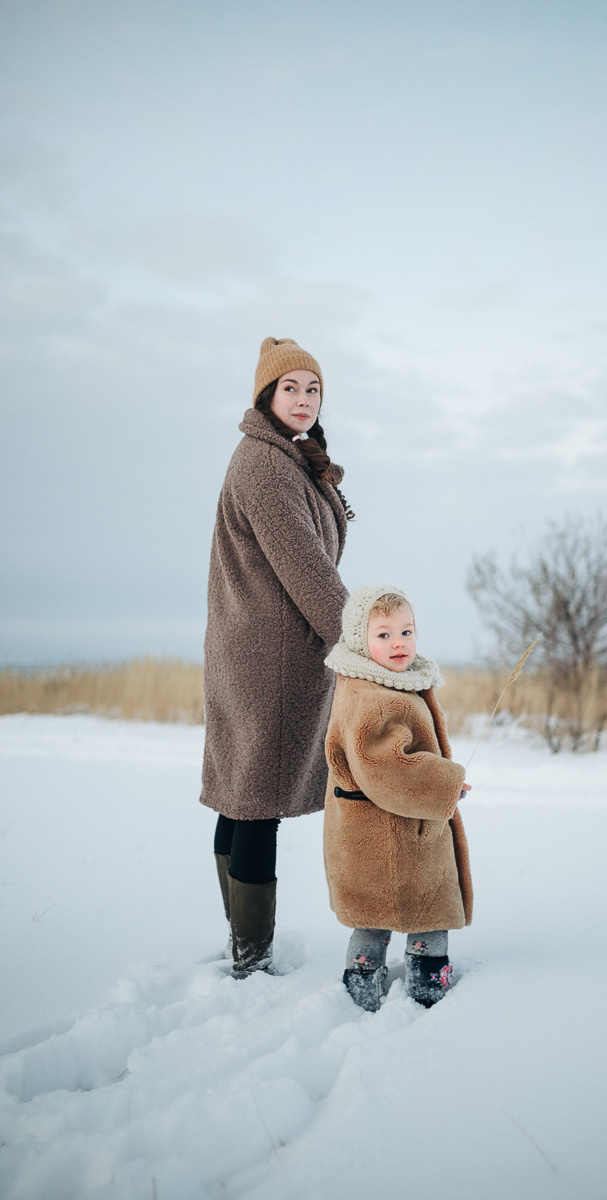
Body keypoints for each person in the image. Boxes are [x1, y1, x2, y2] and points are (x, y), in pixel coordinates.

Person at [200, 337, 353, 978]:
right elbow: (309, 572)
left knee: (244, 794)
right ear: (266, 395)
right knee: (256, 796)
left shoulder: (285, 458)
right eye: (289, 388)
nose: (302, 399)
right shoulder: (265, 466)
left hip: (253, 647)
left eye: (311, 389)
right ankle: (251, 955)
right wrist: (365, 647)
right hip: (272, 656)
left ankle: (243, 941)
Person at [322, 583, 473, 1011]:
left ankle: (392, 976)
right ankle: (393, 983)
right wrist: (443, 784)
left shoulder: (390, 681)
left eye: (406, 632)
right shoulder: (369, 696)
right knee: (408, 907)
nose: (398, 643)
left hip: (395, 827)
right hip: (384, 830)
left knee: (394, 906)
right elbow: (385, 765)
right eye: (384, 634)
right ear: (359, 640)